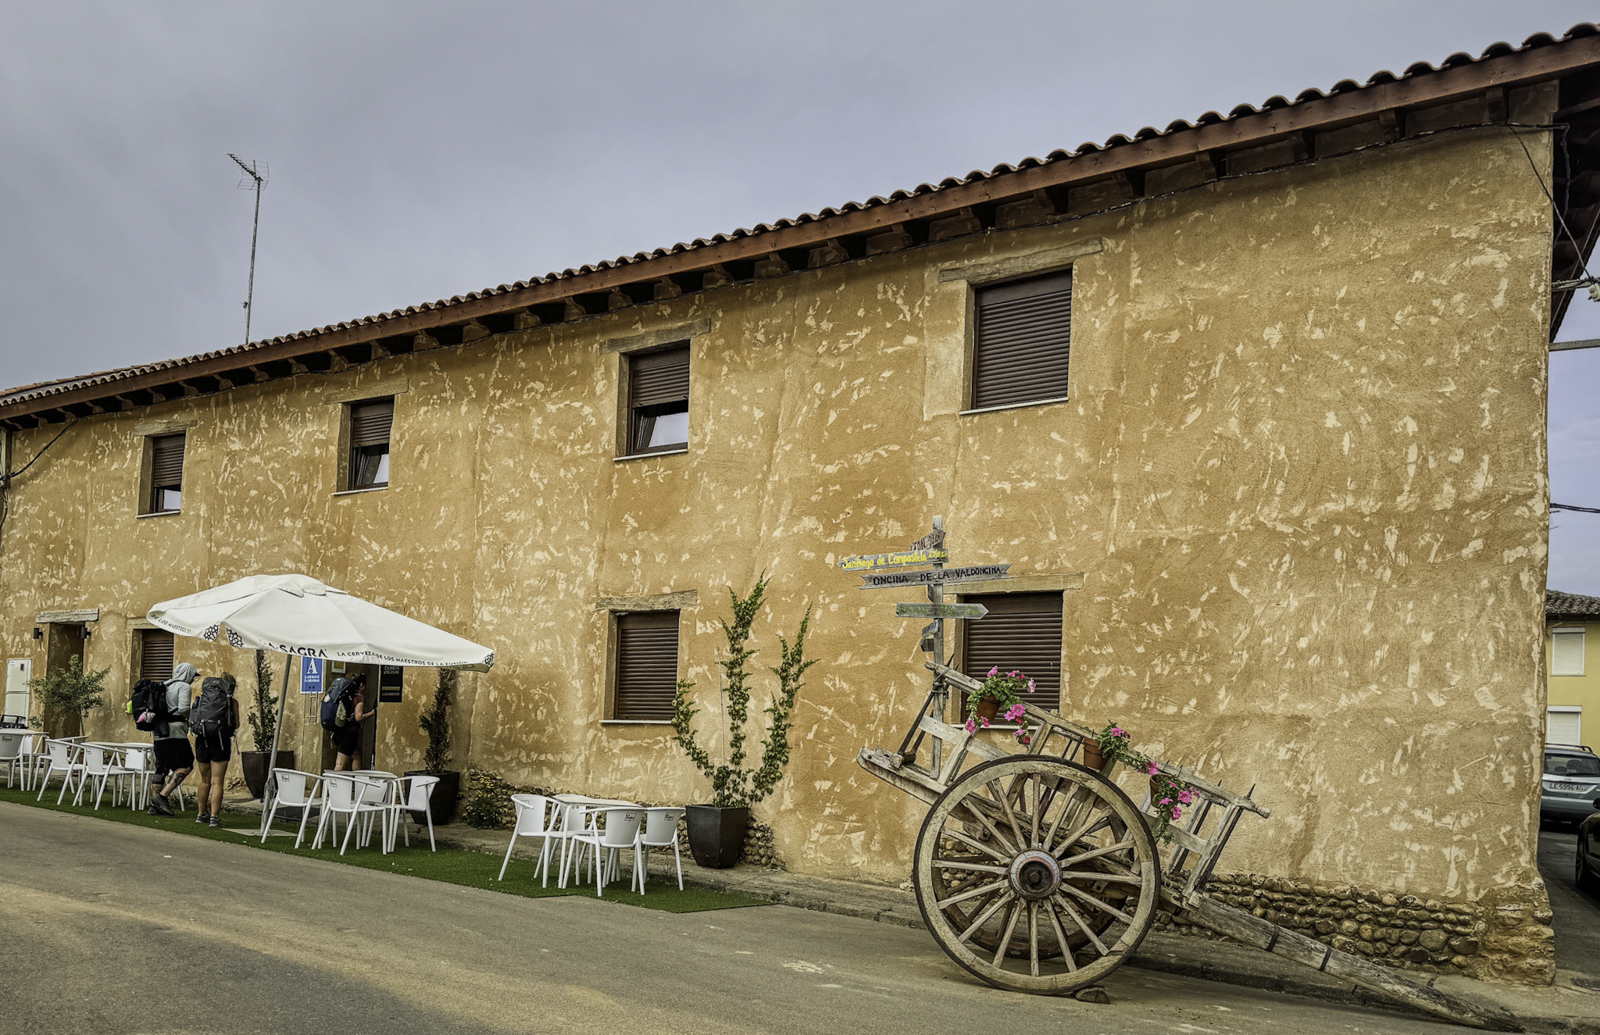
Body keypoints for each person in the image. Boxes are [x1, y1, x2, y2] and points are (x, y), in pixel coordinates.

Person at [146, 662, 196, 817]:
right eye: (193, 676)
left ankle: (155, 806)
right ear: (188, 674)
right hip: (175, 732)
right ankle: (162, 797)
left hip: (159, 731)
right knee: (186, 764)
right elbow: (183, 708)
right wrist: (191, 718)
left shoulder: (164, 685)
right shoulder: (184, 686)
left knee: (161, 767)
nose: (193, 679)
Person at [192, 672, 240, 829]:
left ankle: (201, 814)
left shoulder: (202, 700)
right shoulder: (232, 702)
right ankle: (214, 817)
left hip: (202, 739)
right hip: (220, 740)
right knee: (217, 780)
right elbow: (236, 724)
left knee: (204, 780)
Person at [331, 673, 371, 771]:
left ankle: (358, 780)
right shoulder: (359, 697)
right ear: (361, 685)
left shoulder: (345, 694)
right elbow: (358, 717)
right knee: (340, 764)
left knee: (356, 756)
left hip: (338, 731)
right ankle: (331, 781)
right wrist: (372, 713)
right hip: (348, 734)